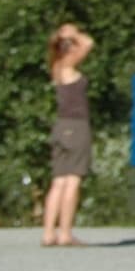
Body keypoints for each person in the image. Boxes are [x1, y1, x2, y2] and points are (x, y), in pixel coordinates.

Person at [42, 23, 96, 248]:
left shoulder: (55, 65)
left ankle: (48, 233)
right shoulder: (68, 64)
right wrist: (74, 34)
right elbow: (89, 42)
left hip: (61, 126)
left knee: (58, 181)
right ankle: (65, 232)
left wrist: (64, 35)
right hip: (76, 125)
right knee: (72, 180)